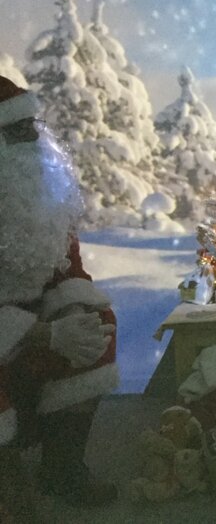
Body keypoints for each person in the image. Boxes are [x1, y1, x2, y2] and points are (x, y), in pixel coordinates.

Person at [0, 75, 119, 515]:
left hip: (28, 322)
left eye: (32, 126)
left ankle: (62, 466)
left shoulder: (37, 199)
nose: (32, 139)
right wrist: (43, 336)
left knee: (96, 322)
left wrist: (74, 313)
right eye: (17, 130)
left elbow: (69, 270)